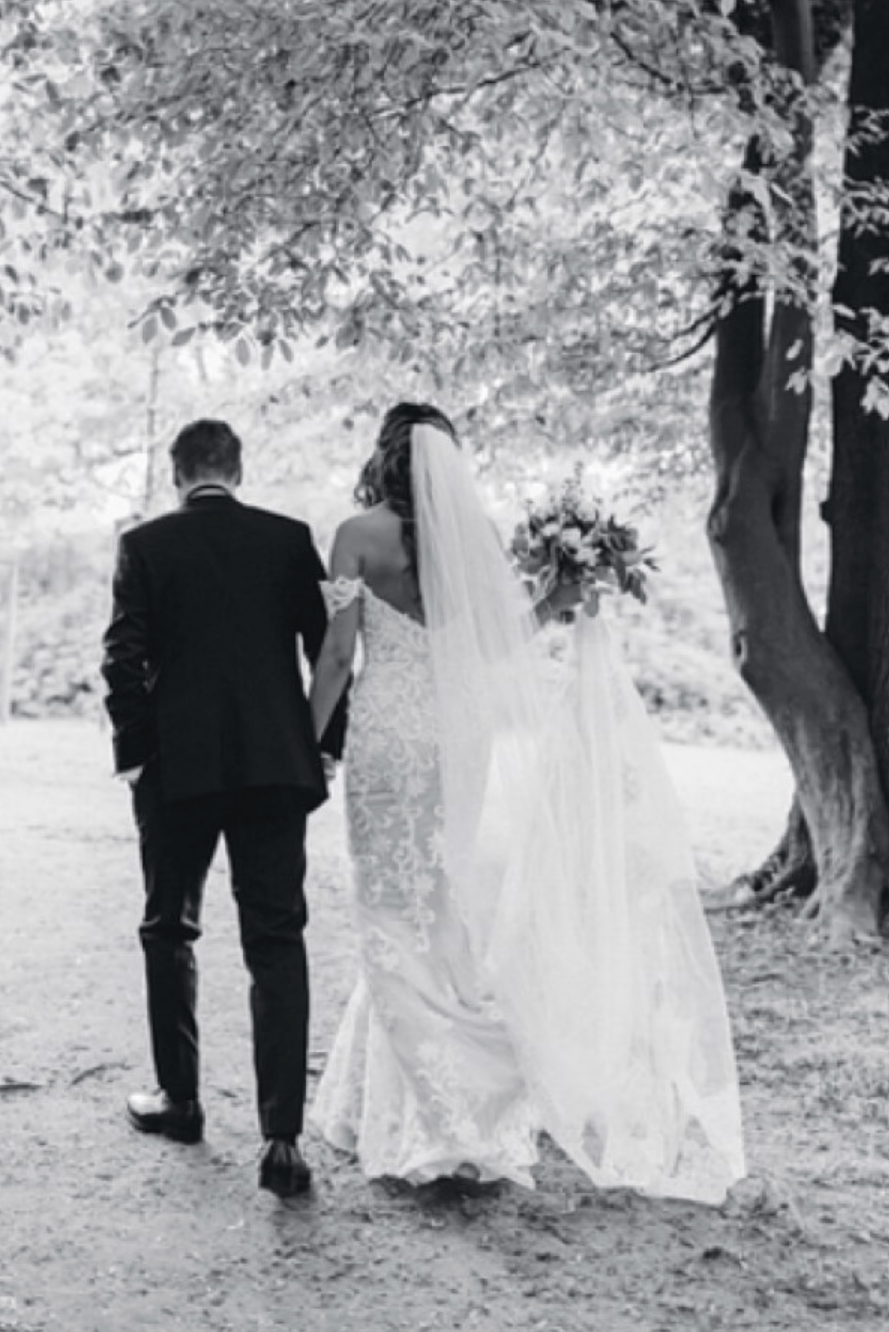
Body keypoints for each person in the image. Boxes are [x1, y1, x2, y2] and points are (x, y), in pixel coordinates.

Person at [308, 403, 745, 1203]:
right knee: (436, 914)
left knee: (387, 918)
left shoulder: (355, 536)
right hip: (458, 742)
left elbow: (339, 652)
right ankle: (375, 1105)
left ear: (384, 455)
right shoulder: (464, 538)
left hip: (389, 740)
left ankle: (465, 1097)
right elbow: (502, 641)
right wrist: (558, 598)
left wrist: (307, 740)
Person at [101, 418, 343, 1197]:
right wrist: (319, 743)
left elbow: (122, 658)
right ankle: (282, 1142)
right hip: (277, 767)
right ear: (238, 469)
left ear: (178, 473)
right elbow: (327, 648)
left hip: (178, 770)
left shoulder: (145, 545)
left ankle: (181, 1100)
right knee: (277, 938)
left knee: (168, 925)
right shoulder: (288, 539)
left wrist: (137, 750)